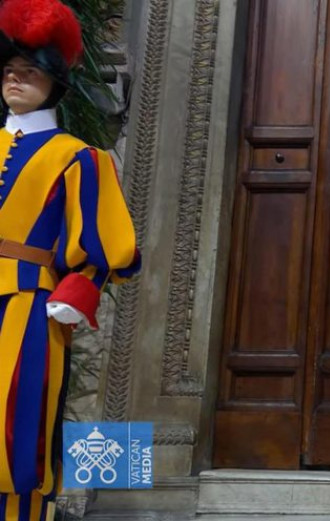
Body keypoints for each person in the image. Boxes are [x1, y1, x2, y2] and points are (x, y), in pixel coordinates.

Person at [0, 0, 140, 518]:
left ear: (54, 82)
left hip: (29, 306)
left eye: (29, 72)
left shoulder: (79, 156)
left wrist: (73, 296)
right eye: (9, 71)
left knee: (21, 427)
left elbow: (104, 246)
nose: (14, 80)